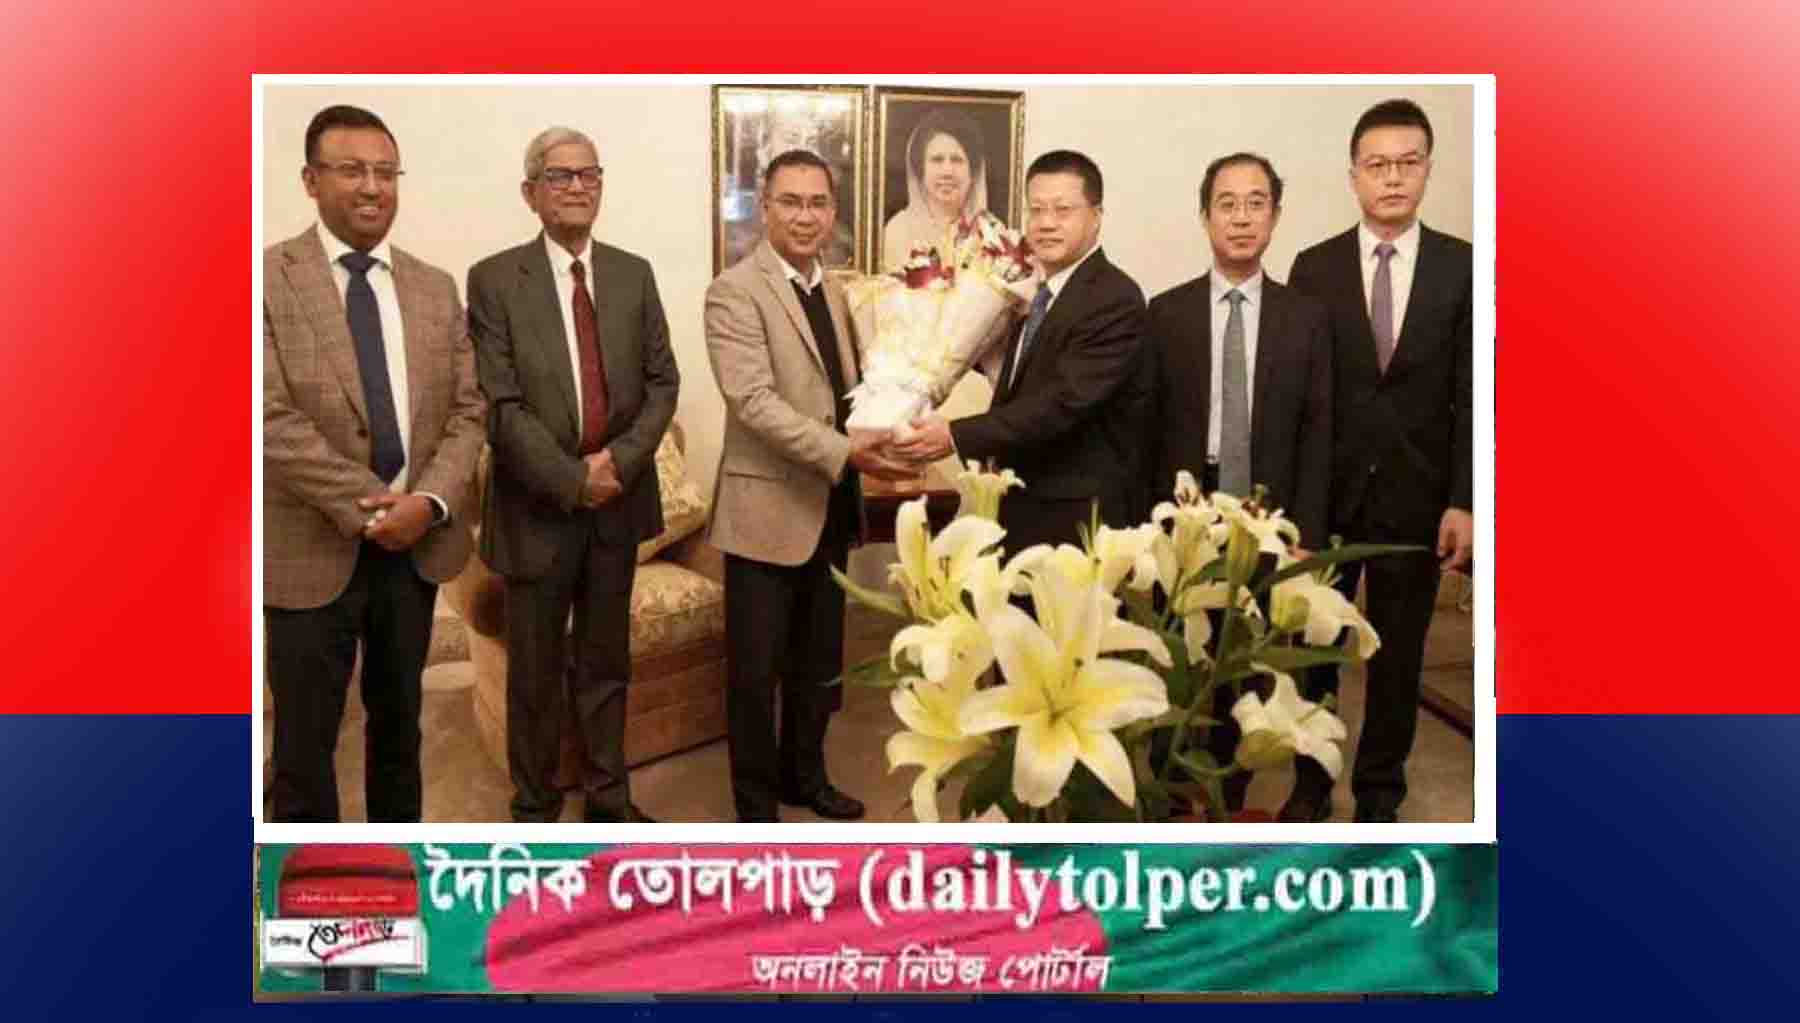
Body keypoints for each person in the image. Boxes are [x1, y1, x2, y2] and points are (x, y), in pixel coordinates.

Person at [262, 104, 486, 822]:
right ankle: (305, 878)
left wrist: (428, 504)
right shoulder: (265, 277)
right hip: (308, 548)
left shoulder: (434, 286)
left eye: (386, 172)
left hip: (414, 548)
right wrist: (374, 506)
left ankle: (395, 864)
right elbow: (267, 417)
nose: (371, 187)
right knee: (303, 746)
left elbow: (469, 410)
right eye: (351, 170)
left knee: (399, 729)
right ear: (310, 180)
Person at [465, 127, 679, 824]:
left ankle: (609, 800)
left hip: (618, 503)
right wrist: (571, 478)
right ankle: (534, 807)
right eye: (560, 176)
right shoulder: (495, 280)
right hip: (537, 509)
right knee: (533, 673)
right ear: (531, 193)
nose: (578, 186)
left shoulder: (634, 274)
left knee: (605, 664)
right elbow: (499, 404)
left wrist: (619, 463)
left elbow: (663, 382)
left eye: (590, 174)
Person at [704, 150, 916, 823]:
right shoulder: (735, 291)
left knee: (817, 663)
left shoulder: (836, 290)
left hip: (829, 506)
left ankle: (806, 776)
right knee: (754, 675)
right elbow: (753, 401)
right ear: (765, 208)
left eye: (818, 202)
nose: (805, 215)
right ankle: (755, 810)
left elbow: (845, 391)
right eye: (790, 201)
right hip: (765, 514)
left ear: (833, 212)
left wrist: (897, 415)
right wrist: (846, 451)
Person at [1285, 99, 1473, 823]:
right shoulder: (1315, 267)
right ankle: (1310, 783)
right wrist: (1297, 510)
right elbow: (1300, 398)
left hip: (1417, 498)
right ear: (1353, 175)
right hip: (1327, 496)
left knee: (1397, 658)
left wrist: (1465, 499)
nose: (1392, 177)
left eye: (1407, 162)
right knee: (1314, 649)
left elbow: (1472, 393)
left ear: (1427, 169)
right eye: (1377, 164)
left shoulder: (1462, 266)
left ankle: (1379, 793)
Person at [1142, 151, 1332, 812]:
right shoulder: (1165, 314)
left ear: (1275, 217)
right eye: (1227, 204)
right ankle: (1171, 791)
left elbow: (1319, 430)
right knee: (1180, 651)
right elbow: (1147, 430)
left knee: (1246, 655)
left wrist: (1307, 532)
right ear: (1205, 216)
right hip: (1189, 508)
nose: (1242, 218)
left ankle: (1232, 787)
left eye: (1256, 203)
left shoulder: (1306, 318)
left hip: (1268, 513)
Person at [895, 150, 1149, 555]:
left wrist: (956, 435)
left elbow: (1062, 402)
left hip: (1076, 518)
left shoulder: (1113, 298)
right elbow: (1025, 375)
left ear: (1096, 217)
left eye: (1063, 210)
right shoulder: (1034, 291)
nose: (1046, 223)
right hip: (1023, 505)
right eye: (1037, 210)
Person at [881, 108, 990, 270]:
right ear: (921, 171)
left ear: (972, 172)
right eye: (937, 160)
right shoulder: (899, 230)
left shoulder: (990, 231)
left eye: (957, 160)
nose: (947, 171)